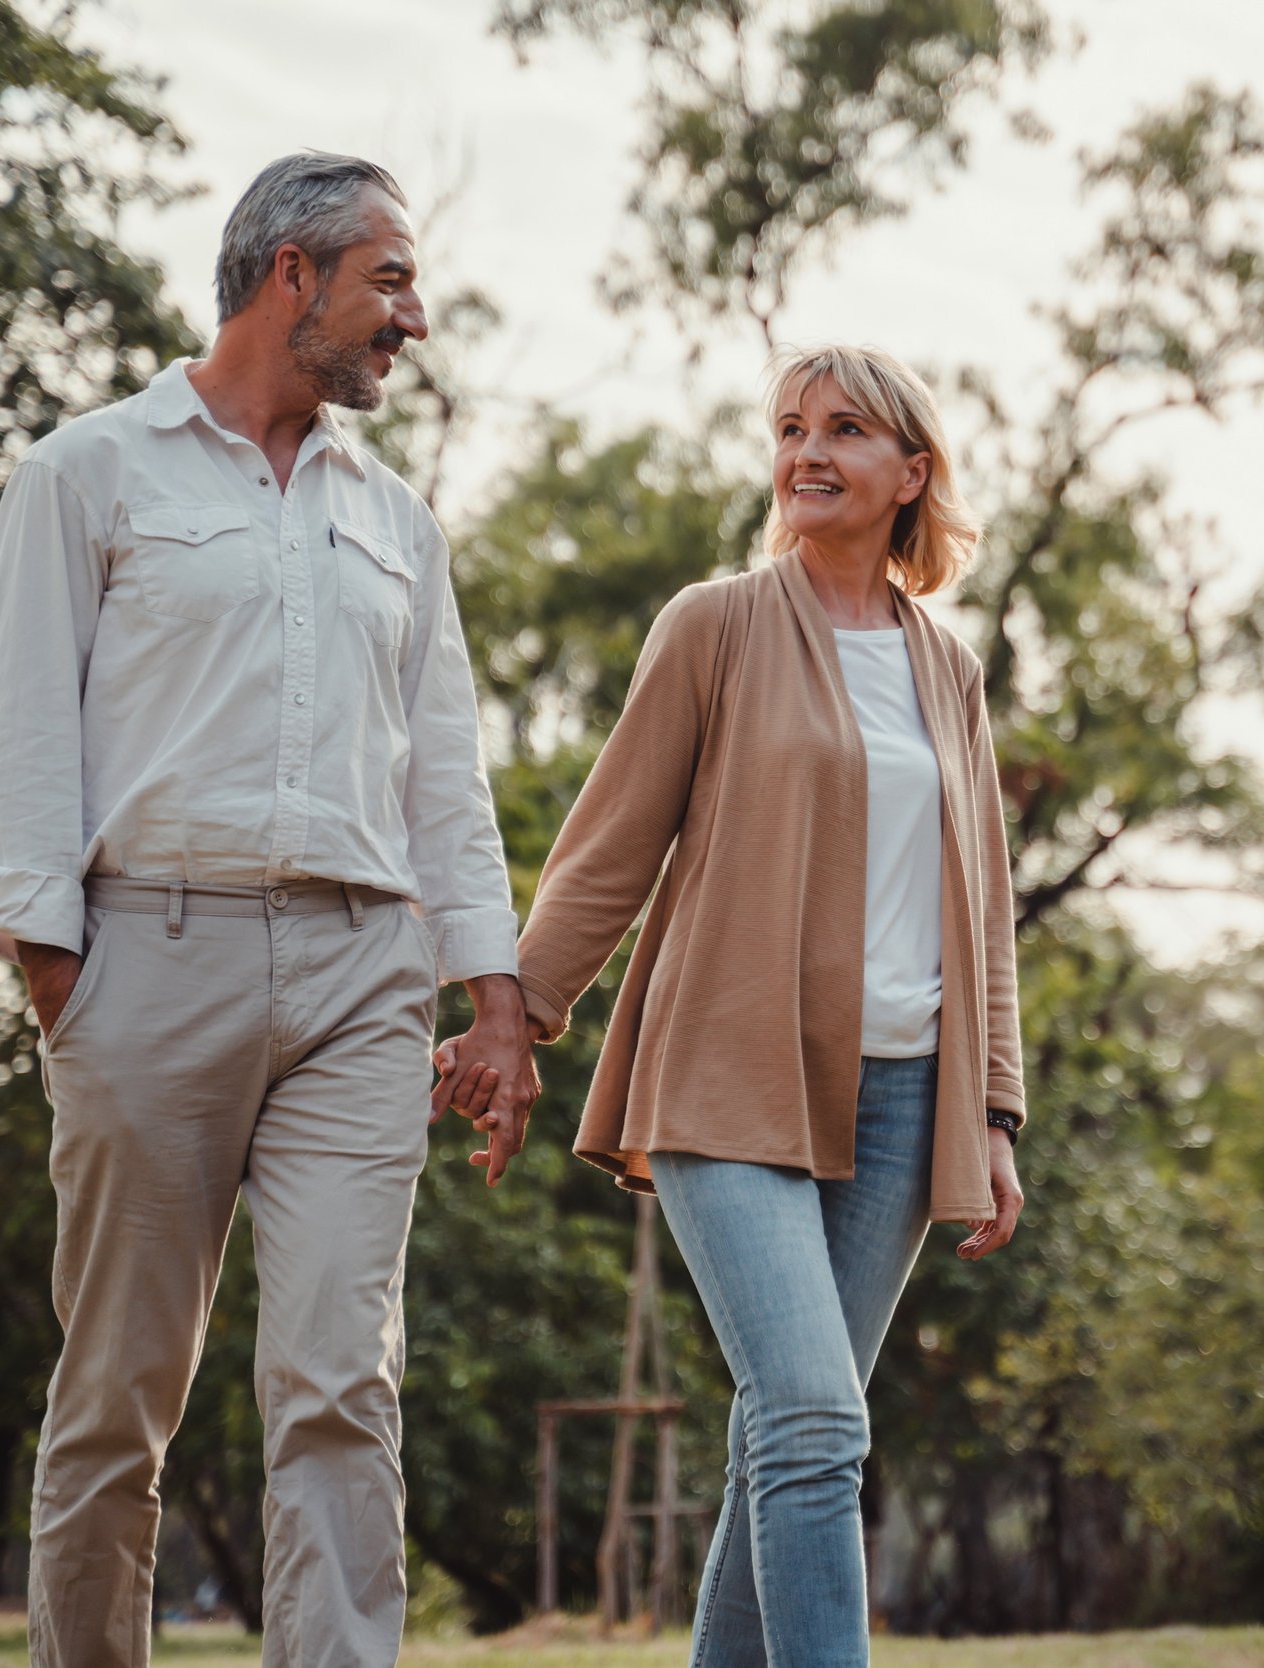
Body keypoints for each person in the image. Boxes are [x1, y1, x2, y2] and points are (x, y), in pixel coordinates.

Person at [0, 151, 540, 1668]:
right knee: (118, 1396)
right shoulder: (87, 471)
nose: (410, 319)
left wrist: (495, 999)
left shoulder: (400, 524)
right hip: (146, 960)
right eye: (389, 282)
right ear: (294, 275)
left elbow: (445, 782)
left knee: (345, 1383)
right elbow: (25, 741)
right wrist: (56, 975)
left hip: (363, 980)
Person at [448, 343, 1028, 1664]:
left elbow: (982, 909)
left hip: (901, 1098)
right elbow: (608, 845)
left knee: (784, 1434)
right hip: (728, 1072)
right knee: (818, 1420)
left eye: (845, 430)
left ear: (912, 474)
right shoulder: (713, 627)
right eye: (789, 429)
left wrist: (992, 1110)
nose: (808, 451)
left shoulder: (950, 671)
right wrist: (515, 1014)